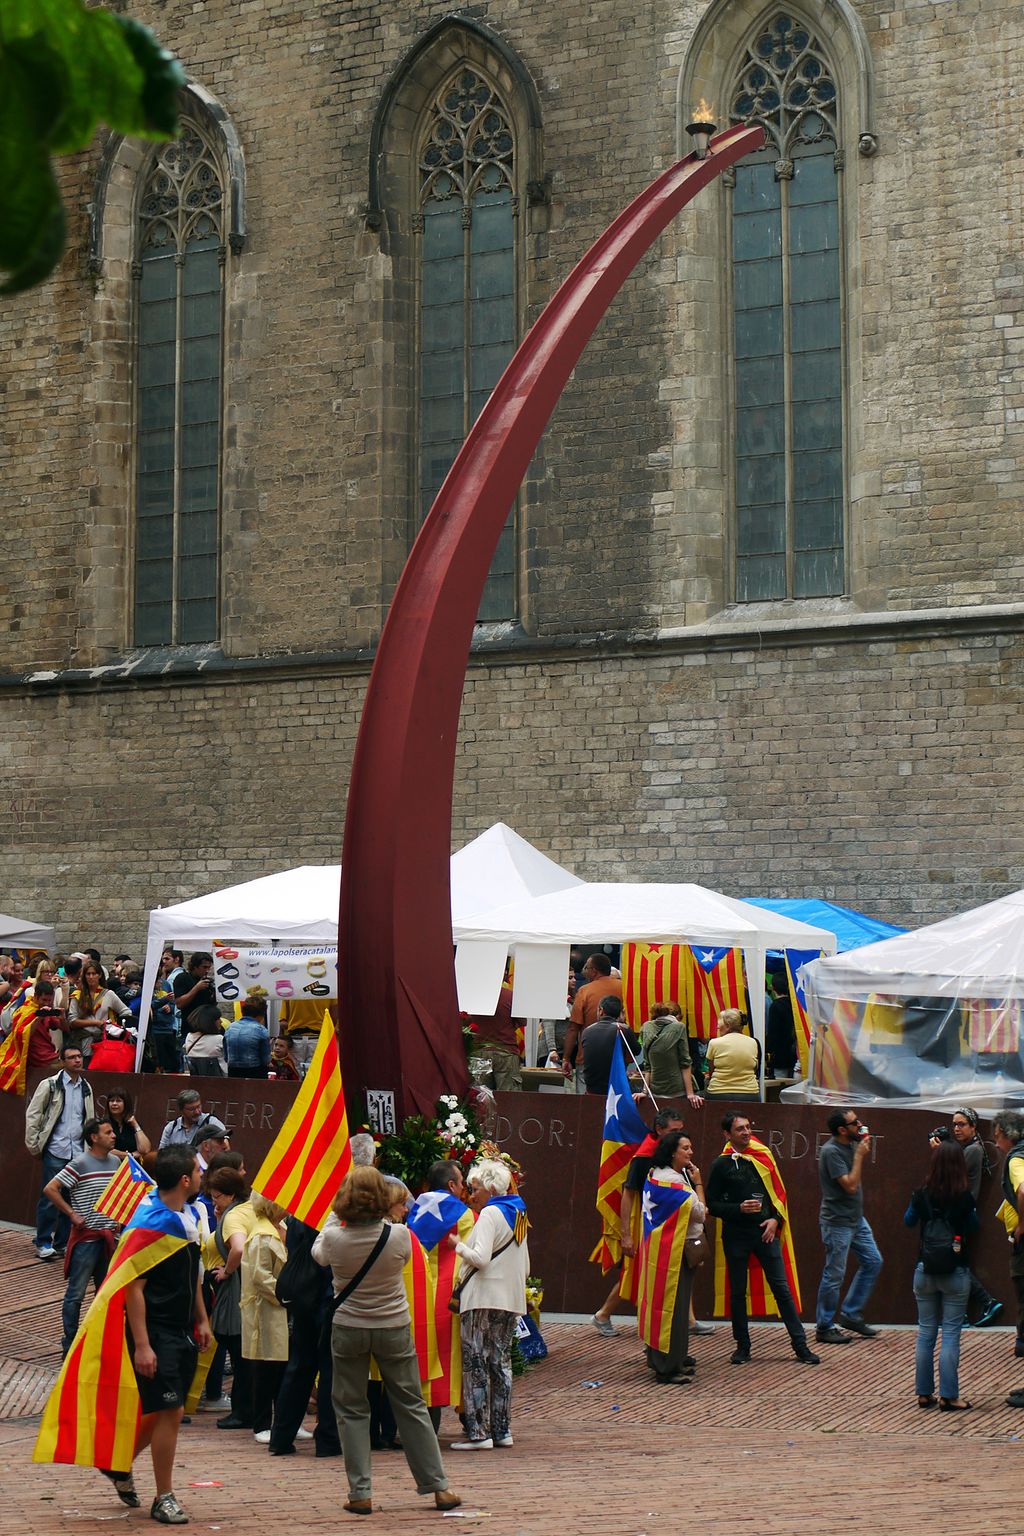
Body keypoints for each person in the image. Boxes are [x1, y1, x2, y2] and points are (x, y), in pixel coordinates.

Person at [313, 1166, 461, 1515]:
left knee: (351, 1408)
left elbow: (319, 1254)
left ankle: (360, 1491)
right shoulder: (398, 1237)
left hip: (349, 1326)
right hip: (393, 1325)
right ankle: (437, 1486)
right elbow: (408, 1259)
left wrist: (335, 1217)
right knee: (410, 1405)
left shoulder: (334, 1238)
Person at [119, 1145, 212, 1524]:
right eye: (198, 1170)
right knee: (170, 1409)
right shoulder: (153, 1221)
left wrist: (202, 1319)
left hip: (180, 1329)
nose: (204, 1175)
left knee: (162, 1409)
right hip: (156, 1331)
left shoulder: (185, 1217)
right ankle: (164, 1497)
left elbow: (192, 1276)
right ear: (185, 1180)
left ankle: (119, 1464)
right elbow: (133, 1288)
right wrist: (142, 1344)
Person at [705, 1111, 819, 1366]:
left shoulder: (763, 1155)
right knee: (737, 1292)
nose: (746, 1132)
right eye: (739, 1129)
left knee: (782, 1288)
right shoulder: (721, 1164)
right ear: (727, 1134)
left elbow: (778, 1193)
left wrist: (775, 1219)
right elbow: (710, 1204)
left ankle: (800, 1345)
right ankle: (742, 1346)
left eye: (748, 1127)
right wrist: (737, 1209)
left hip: (765, 1234)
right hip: (735, 1236)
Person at [449, 1156, 530, 1450]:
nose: (473, 1194)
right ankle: (502, 1429)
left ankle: (478, 1432)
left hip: (481, 1296)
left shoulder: (490, 1215)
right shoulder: (518, 1213)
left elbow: (481, 1258)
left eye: (476, 1187)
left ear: (490, 1187)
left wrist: (457, 1245)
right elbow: (526, 1265)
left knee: (475, 1362)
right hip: (510, 1298)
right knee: (501, 1362)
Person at [592, 1107, 685, 1339]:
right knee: (633, 1272)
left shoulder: (671, 1152)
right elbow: (628, 1193)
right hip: (644, 1221)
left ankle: (689, 1319)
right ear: (659, 1129)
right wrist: (626, 1234)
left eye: (680, 1131)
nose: (678, 1136)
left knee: (680, 1266)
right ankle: (603, 1314)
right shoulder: (645, 1157)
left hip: (664, 1217)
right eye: (673, 1131)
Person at [904, 1139, 976, 1411]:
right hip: (955, 1270)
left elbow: (908, 1221)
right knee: (951, 1334)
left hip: (925, 1269)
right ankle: (949, 1395)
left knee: (926, 1332)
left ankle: (924, 1393)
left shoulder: (921, 1193)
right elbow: (974, 1226)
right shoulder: (964, 1197)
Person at [407, 1159, 478, 1430]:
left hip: (419, 1292)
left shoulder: (413, 1209)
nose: (464, 1189)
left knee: (425, 1354)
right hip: (451, 1296)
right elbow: (469, 1256)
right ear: (451, 1185)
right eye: (462, 1183)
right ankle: (467, 1419)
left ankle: (424, 1425)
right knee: (454, 1358)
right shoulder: (464, 1215)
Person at [44, 1116, 122, 1354]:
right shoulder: (80, 1163)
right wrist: (72, 1214)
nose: (113, 1136)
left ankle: (98, 1340)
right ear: (93, 1137)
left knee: (104, 1293)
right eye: (108, 1132)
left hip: (109, 1237)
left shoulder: (115, 1162)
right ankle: (69, 1342)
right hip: (87, 1239)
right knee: (76, 1294)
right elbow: (50, 1188)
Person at [638, 1130, 706, 1383]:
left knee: (662, 1307)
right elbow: (700, 1212)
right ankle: (667, 1367)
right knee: (674, 1310)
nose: (690, 1152)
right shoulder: (674, 1183)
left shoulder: (656, 1175)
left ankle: (670, 1358)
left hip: (660, 1250)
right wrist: (698, 1183)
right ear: (672, 1152)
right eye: (686, 1148)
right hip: (673, 1253)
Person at [270, 1215, 340, 1458]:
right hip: (329, 1296)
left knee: (299, 1366)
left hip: (302, 1296)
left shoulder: (299, 1215)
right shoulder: (338, 1214)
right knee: (331, 1369)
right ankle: (329, 1439)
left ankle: (280, 1436)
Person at [815, 1107, 883, 1344]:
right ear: (842, 1130)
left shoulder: (851, 1143)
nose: (860, 1125)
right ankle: (824, 1326)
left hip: (855, 1219)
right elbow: (851, 1186)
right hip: (837, 1223)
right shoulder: (831, 1152)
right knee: (834, 1274)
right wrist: (860, 1156)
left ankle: (851, 1314)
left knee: (873, 1261)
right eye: (855, 1123)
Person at [26, 1044, 96, 1261]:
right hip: (56, 1149)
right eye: (72, 1057)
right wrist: (34, 1144)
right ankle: (43, 1241)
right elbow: (34, 1114)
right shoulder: (50, 1085)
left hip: (77, 1152)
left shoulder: (86, 1087)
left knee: (70, 1199)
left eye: (79, 1056)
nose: (77, 1060)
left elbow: (89, 1118)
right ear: (62, 1061)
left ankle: (62, 1243)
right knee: (49, 1198)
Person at [206, 1166, 256, 1430]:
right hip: (252, 1286)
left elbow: (236, 1247)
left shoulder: (234, 1216)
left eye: (216, 1197)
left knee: (237, 1351)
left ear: (229, 1194)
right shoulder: (250, 1208)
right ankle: (248, 1408)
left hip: (237, 1288)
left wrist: (227, 1270)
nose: (214, 1202)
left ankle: (242, 1411)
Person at [241, 1192, 291, 1442]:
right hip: (268, 1308)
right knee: (266, 1367)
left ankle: (284, 1421)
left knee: (283, 1367)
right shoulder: (261, 1235)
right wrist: (285, 1296)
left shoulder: (280, 1228)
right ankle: (262, 1424)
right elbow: (260, 1277)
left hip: (283, 1307)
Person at [948, 1107, 1002, 1326]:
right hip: (959, 1215)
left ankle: (985, 1303)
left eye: (961, 1124)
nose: (956, 1128)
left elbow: (950, 1177)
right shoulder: (967, 1149)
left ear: (973, 1127)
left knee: (955, 1264)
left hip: (960, 1217)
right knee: (956, 1263)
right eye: (954, 1124)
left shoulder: (972, 1151)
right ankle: (967, 1312)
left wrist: (939, 1152)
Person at [993, 1110, 1024, 1406]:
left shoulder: (1016, 1158)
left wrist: (1021, 1227)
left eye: (996, 1134)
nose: (995, 1139)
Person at [562, 953, 623, 1087]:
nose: (585, 972)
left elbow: (573, 1028)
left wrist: (566, 1058)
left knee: (586, 1102)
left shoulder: (585, 991)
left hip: (588, 1056)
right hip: (617, 1056)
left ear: (594, 971)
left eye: (587, 968)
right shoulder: (624, 988)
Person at [640, 1001, 703, 1107]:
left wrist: (644, 1092)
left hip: (654, 1090)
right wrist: (690, 1094)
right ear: (677, 1015)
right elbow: (685, 1062)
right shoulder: (679, 1027)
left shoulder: (646, 1027)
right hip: (676, 1089)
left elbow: (647, 1065)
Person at [68, 961, 133, 1061]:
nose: (91, 977)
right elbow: (72, 1021)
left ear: (100, 975)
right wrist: (96, 1022)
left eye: (94, 973)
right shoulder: (77, 995)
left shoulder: (108, 994)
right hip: (81, 1042)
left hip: (103, 1042)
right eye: (88, 974)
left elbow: (126, 1012)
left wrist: (113, 1026)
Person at [465, 980, 524, 1091]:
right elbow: (522, 1022)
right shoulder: (510, 996)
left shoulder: (472, 996)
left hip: (479, 1051)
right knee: (509, 1097)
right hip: (505, 1051)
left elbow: (465, 1022)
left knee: (479, 1097)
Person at [579, 996, 639, 1096]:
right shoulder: (624, 1029)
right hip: (616, 1088)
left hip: (592, 1088)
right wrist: (623, 1021)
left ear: (601, 1010)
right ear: (621, 1012)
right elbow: (637, 1051)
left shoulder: (587, 1031)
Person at [703, 1009, 760, 1100]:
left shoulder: (714, 1043)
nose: (717, 1027)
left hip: (718, 1092)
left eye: (719, 1024)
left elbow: (711, 1070)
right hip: (749, 1092)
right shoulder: (753, 1042)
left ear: (728, 1026)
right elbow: (754, 1068)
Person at [171, 952, 217, 1038]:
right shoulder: (183, 978)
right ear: (195, 966)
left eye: (209, 968)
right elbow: (179, 1004)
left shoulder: (207, 981)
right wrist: (196, 988)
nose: (207, 971)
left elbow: (212, 1004)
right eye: (204, 967)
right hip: (189, 1030)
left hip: (207, 1029)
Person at [224, 999, 272, 1079]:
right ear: (261, 1014)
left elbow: (226, 1056)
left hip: (233, 1071)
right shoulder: (261, 1030)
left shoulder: (230, 1027)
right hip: (255, 1072)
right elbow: (265, 1060)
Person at [765, 975, 798, 1078]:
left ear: (773, 987)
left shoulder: (775, 1006)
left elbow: (773, 1032)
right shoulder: (794, 1004)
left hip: (779, 1054)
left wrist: (768, 1050)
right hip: (793, 1052)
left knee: (779, 1084)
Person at [104, 1088, 153, 1157]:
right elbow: (104, 1150)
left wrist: (135, 1124)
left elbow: (145, 1149)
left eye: (118, 1101)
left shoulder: (131, 1123)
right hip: (111, 1165)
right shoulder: (103, 1124)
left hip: (131, 1166)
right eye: (111, 1101)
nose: (114, 1103)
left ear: (126, 1104)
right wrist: (130, 1155)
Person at [183, 1002, 226, 1077]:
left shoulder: (189, 1037)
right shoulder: (219, 1039)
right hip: (220, 1080)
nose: (221, 1021)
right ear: (211, 1021)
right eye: (218, 1019)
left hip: (197, 1080)